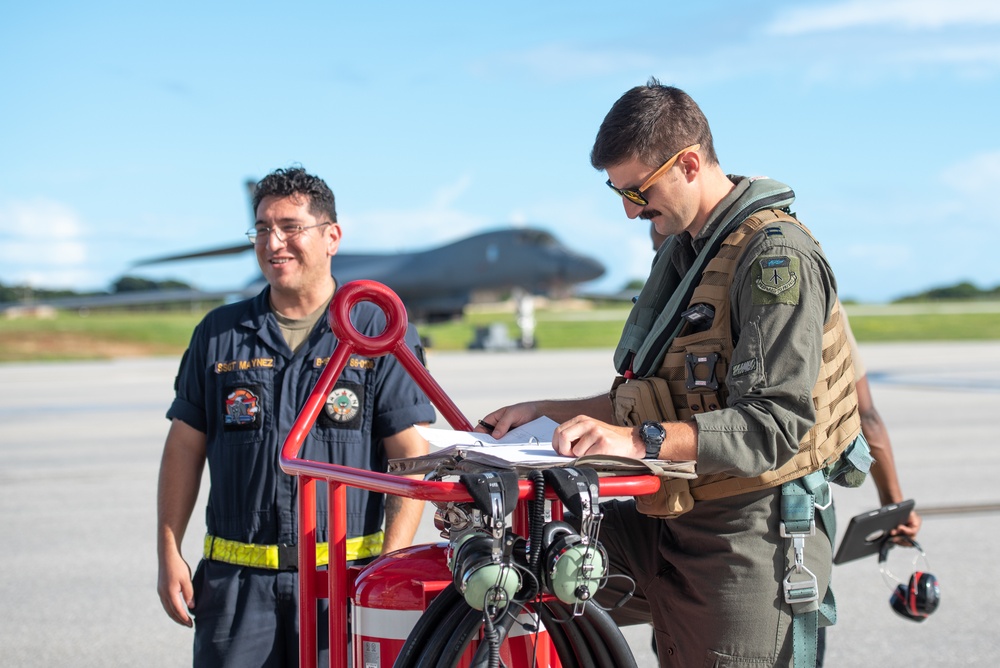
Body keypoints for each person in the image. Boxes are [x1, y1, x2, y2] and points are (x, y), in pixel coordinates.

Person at [479, 80, 865, 666]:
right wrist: (544, 413)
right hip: (674, 507)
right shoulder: (689, 249)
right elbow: (670, 396)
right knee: (520, 563)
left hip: (750, 529)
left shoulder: (774, 259)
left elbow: (774, 424)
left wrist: (636, 441)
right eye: (619, 193)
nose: (632, 210)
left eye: (639, 189)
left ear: (687, 163)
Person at [156, 166, 436, 667]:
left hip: (343, 583)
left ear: (332, 237)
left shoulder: (376, 329)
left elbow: (410, 456)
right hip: (235, 593)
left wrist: (384, 573)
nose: (274, 242)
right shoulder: (220, 333)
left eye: (290, 227)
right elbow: (183, 445)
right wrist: (168, 551)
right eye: (262, 229)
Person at [649, 222, 922, 664]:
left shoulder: (786, 291)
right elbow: (867, 413)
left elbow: (856, 413)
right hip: (696, 521)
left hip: (776, 516)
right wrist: (895, 505)